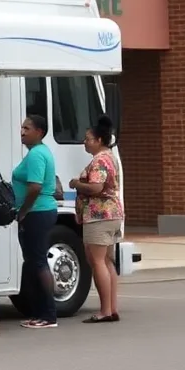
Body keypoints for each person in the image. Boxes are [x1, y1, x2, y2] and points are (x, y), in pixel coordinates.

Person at [71, 115, 124, 324]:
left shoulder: (100, 160)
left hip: (99, 215)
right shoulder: (110, 157)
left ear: (99, 140)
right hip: (112, 214)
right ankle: (112, 308)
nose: (85, 142)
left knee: (97, 261)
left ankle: (104, 310)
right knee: (107, 261)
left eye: (88, 138)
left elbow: (96, 187)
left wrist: (76, 184)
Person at [13, 114, 59, 329]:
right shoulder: (38, 152)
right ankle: (39, 312)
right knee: (33, 262)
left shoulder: (37, 154)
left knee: (38, 262)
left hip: (38, 212)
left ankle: (48, 315)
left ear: (39, 132)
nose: (22, 132)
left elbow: (35, 187)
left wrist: (23, 211)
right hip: (39, 212)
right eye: (22, 127)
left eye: (27, 128)